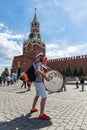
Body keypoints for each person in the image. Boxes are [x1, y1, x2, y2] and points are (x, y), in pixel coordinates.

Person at [30, 52, 51, 120]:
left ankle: (33, 108)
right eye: (41, 56)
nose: (42, 57)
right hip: (39, 82)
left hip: (36, 82)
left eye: (43, 56)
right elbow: (37, 71)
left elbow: (41, 68)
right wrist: (45, 75)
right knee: (44, 97)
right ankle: (41, 114)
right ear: (38, 57)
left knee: (37, 95)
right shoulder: (38, 63)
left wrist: (46, 68)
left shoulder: (36, 63)